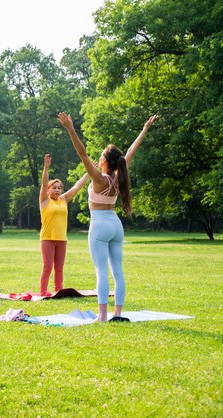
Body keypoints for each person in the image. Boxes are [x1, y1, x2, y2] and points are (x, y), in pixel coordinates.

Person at [57, 112, 158, 321]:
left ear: (104, 161)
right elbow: (131, 151)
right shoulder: (120, 173)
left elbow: (82, 153)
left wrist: (71, 130)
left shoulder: (98, 178)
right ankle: (117, 313)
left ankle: (102, 316)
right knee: (118, 272)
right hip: (115, 225)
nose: (99, 158)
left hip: (100, 225)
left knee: (101, 271)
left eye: (101, 156)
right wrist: (145, 129)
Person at [38, 153, 89, 296]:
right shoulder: (44, 201)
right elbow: (43, 183)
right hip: (47, 238)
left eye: (59, 188)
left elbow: (77, 186)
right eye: (54, 187)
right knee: (48, 266)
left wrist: (88, 172)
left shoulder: (63, 199)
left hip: (62, 239)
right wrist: (46, 168)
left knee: (59, 267)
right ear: (48, 190)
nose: (57, 190)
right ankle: (43, 292)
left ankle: (58, 291)